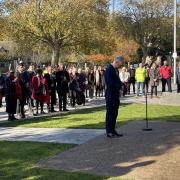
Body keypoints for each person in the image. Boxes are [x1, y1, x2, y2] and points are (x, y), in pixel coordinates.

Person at [105, 56, 124, 138]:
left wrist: (121, 86)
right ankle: (109, 131)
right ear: (116, 61)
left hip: (115, 95)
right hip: (111, 94)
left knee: (114, 113)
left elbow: (117, 81)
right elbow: (110, 83)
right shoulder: (109, 70)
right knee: (110, 113)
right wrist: (118, 89)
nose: (119, 66)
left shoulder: (114, 70)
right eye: (119, 64)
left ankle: (113, 130)